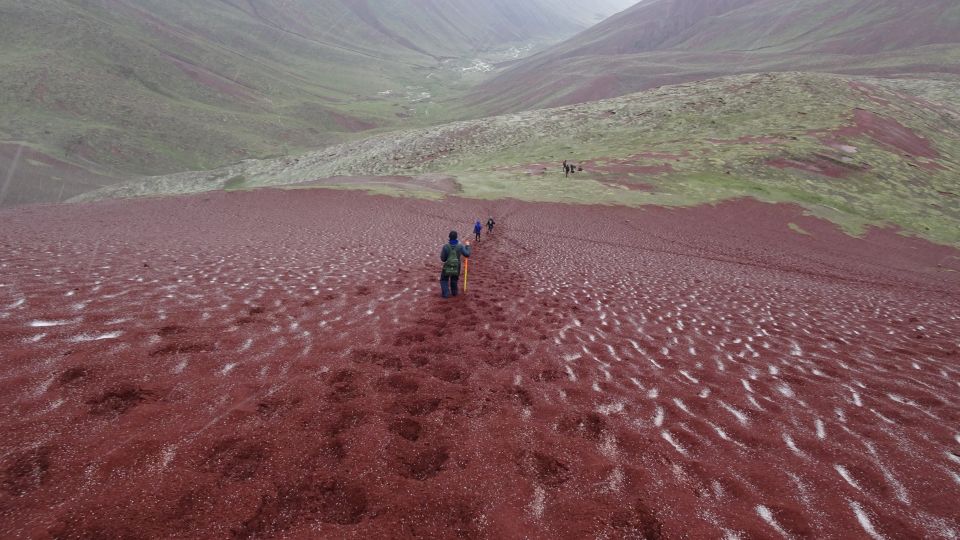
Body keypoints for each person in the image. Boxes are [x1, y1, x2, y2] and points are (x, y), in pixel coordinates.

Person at [440, 231, 471, 298]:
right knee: (454, 279)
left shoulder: (445, 246)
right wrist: (467, 246)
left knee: (444, 279)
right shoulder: (460, 246)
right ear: (456, 237)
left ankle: (446, 294)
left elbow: (443, 259)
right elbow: (467, 254)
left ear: (449, 237)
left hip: (447, 266)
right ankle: (454, 293)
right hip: (457, 266)